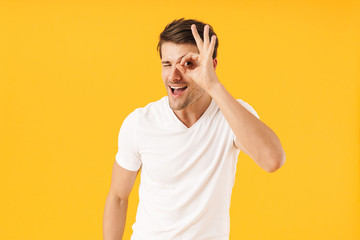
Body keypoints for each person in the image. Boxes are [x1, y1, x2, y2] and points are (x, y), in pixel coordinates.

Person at [103, 18, 286, 240]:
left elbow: (272, 160)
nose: (173, 76)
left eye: (188, 64)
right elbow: (118, 197)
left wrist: (213, 85)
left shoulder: (230, 115)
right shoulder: (140, 123)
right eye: (167, 64)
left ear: (211, 66)